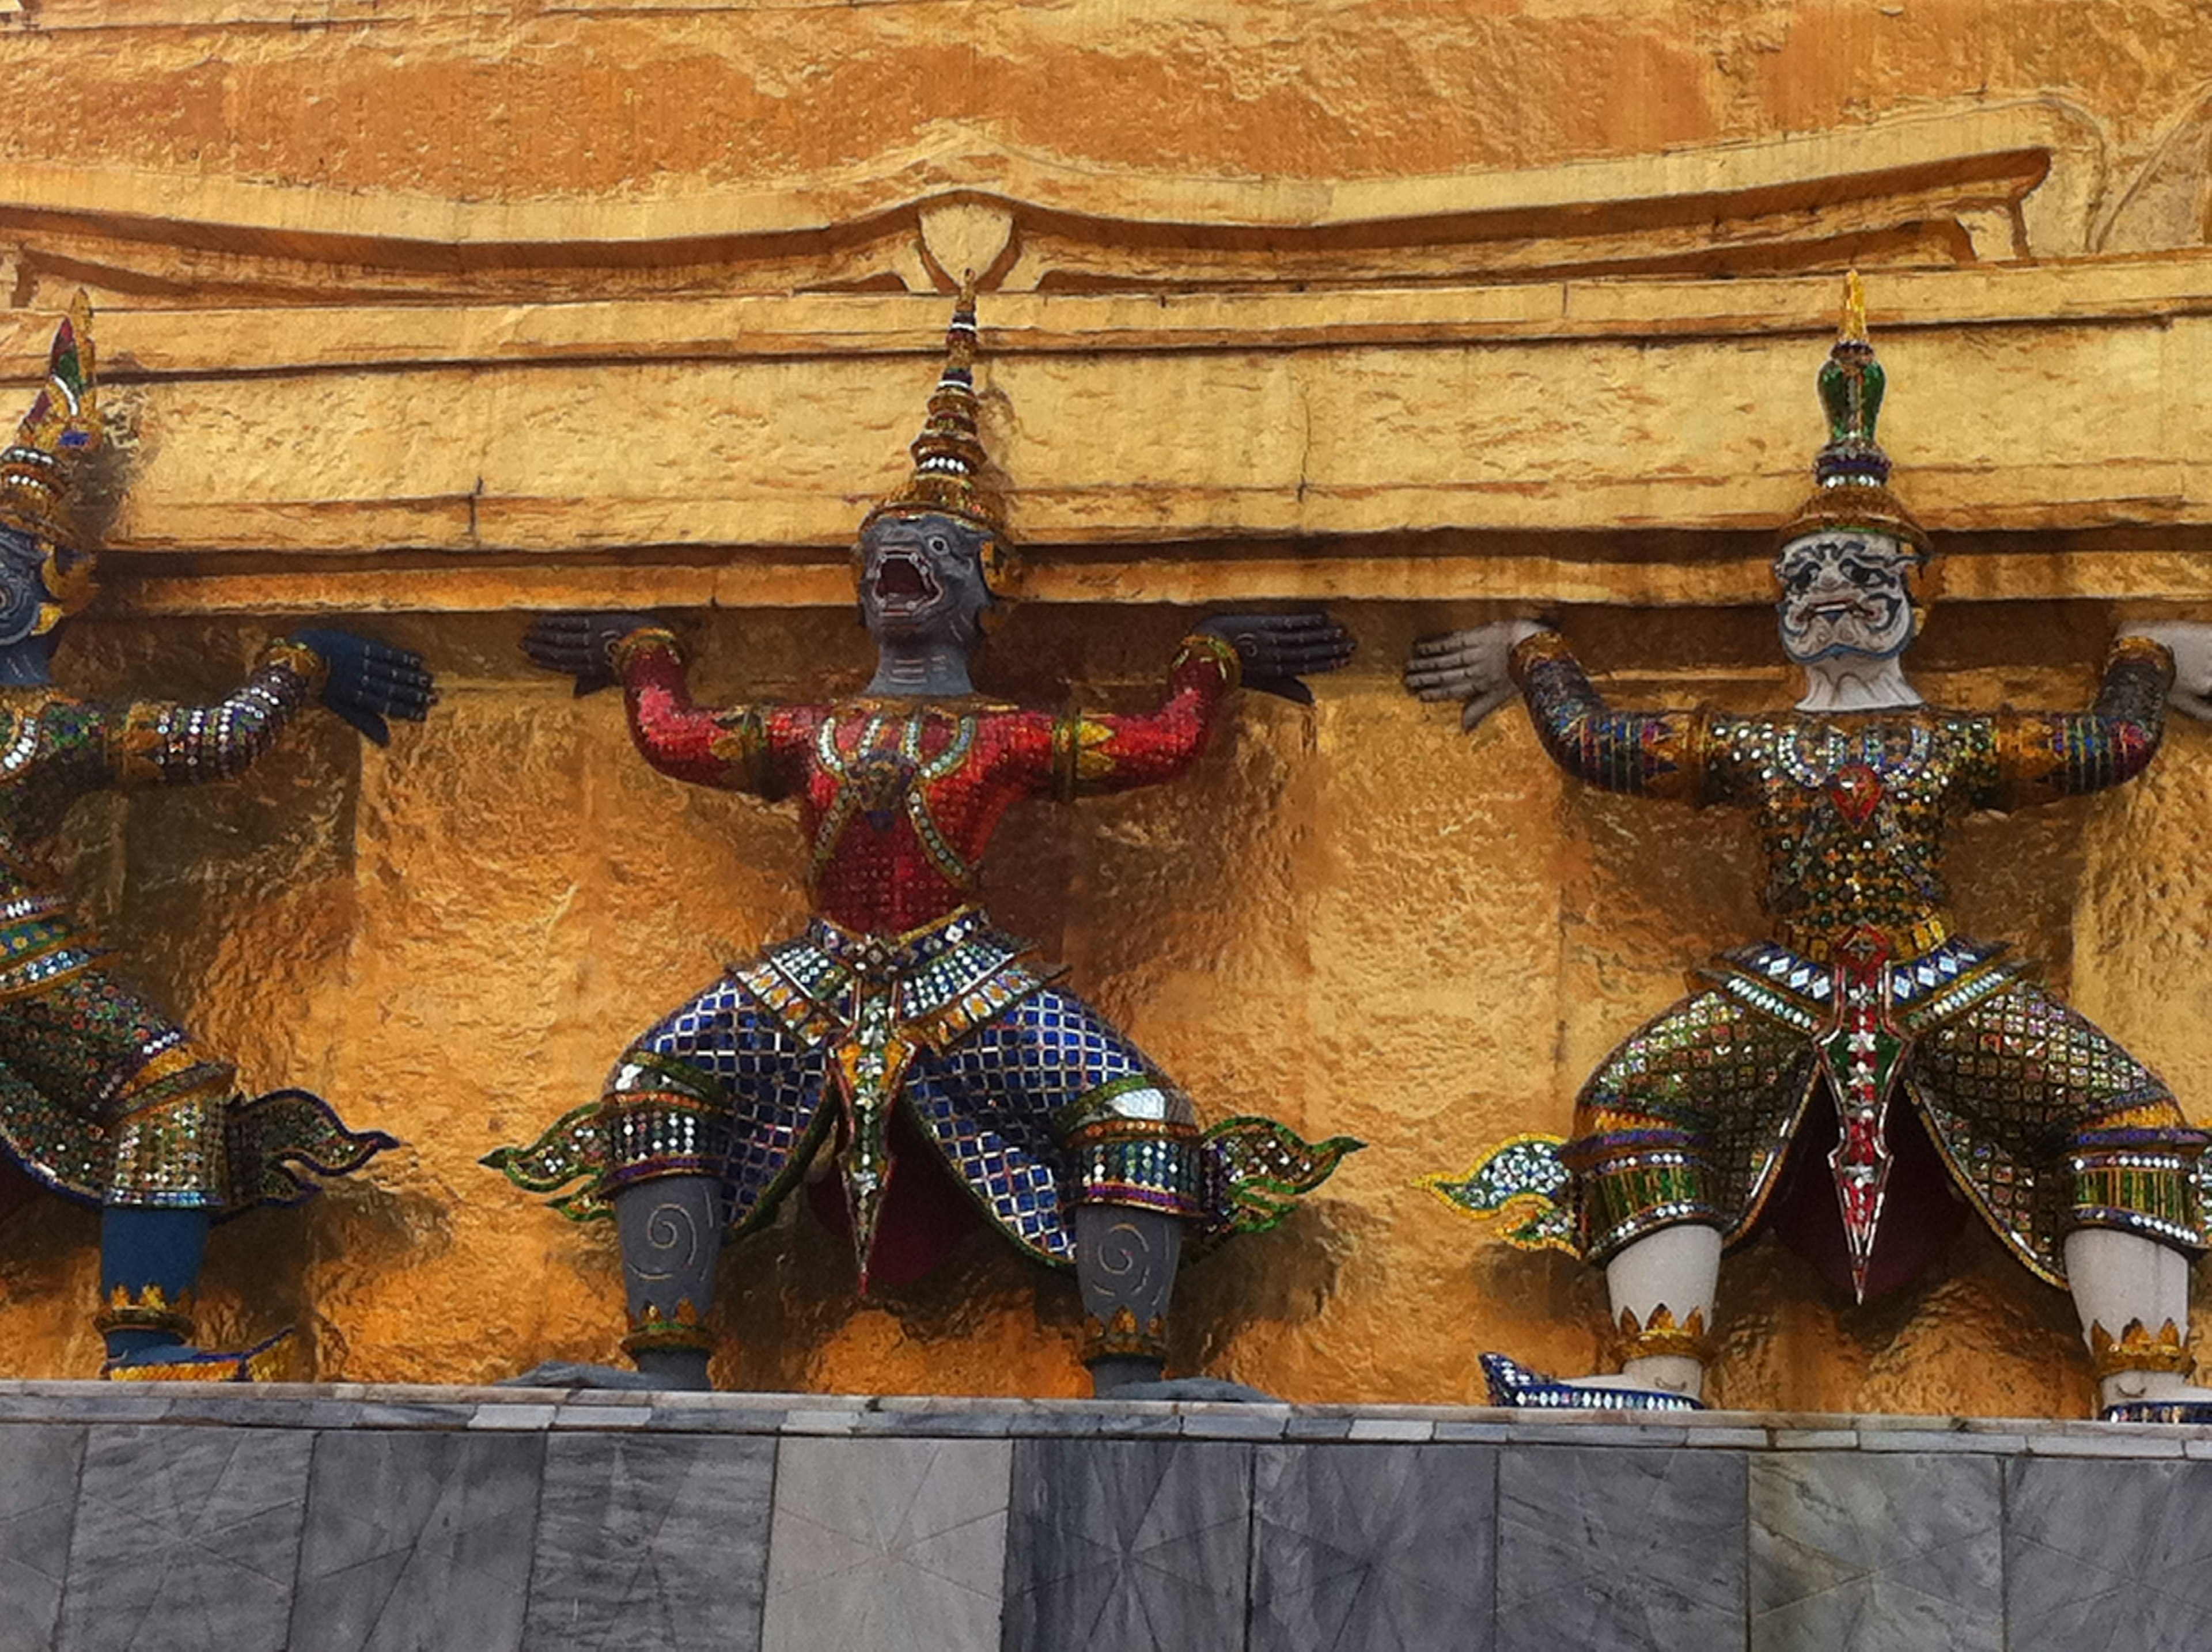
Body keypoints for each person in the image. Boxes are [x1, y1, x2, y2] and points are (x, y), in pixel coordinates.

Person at [492, 285, 1359, 1395]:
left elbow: (1166, 744)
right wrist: (642, 655)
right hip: (816, 971)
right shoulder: (810, 732)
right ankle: (666, 1361)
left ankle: (1131, 1379)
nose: (904, 561)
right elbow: (672, 737)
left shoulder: (1003, 738)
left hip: (968, 978)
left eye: (935, 551)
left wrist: (1213, 661)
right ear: (859, 584)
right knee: (651, 1082)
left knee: (1137, 1112)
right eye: (888, 550)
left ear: (983, 586)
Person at [1408, 276, 2212, 1422]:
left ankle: (2148, 1382)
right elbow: (1597, 744)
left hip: (1938, 978)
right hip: (1788, 981)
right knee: (1629, 1104)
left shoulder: (1953, 745)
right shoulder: (1749, 745)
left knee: (2127, 1115)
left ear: (1913, 602)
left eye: (1863, 578)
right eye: (1810, 581)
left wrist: (2145, 648)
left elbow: (2112, 744)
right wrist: (1537, 653)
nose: (1833, 596)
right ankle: (1657, 1377)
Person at [0, 295, 434, 1378]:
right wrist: (301, 663)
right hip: (16, 956)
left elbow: (201, 743)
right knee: (171, 1089)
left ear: (37, 604)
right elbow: (213, 738)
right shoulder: (38, 729)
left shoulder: (45, 728)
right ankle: (142, 1339)